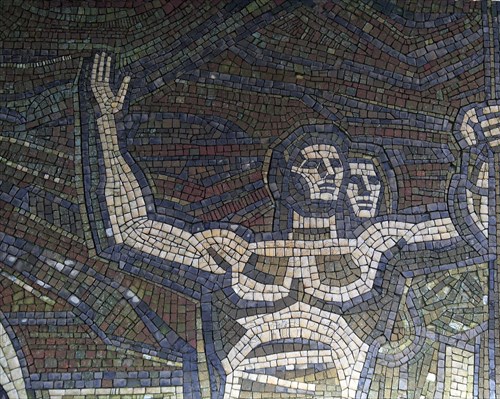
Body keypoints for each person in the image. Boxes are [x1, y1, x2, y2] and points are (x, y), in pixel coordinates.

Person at [90, 52, 460, 398]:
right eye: (313, 165)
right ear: (282, 181)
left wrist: (483, 164)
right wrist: (107, 127)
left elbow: (468, 225)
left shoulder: (371, 247)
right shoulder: (234, 253)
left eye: (335, 165)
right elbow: (133, 227)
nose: (328, 174)